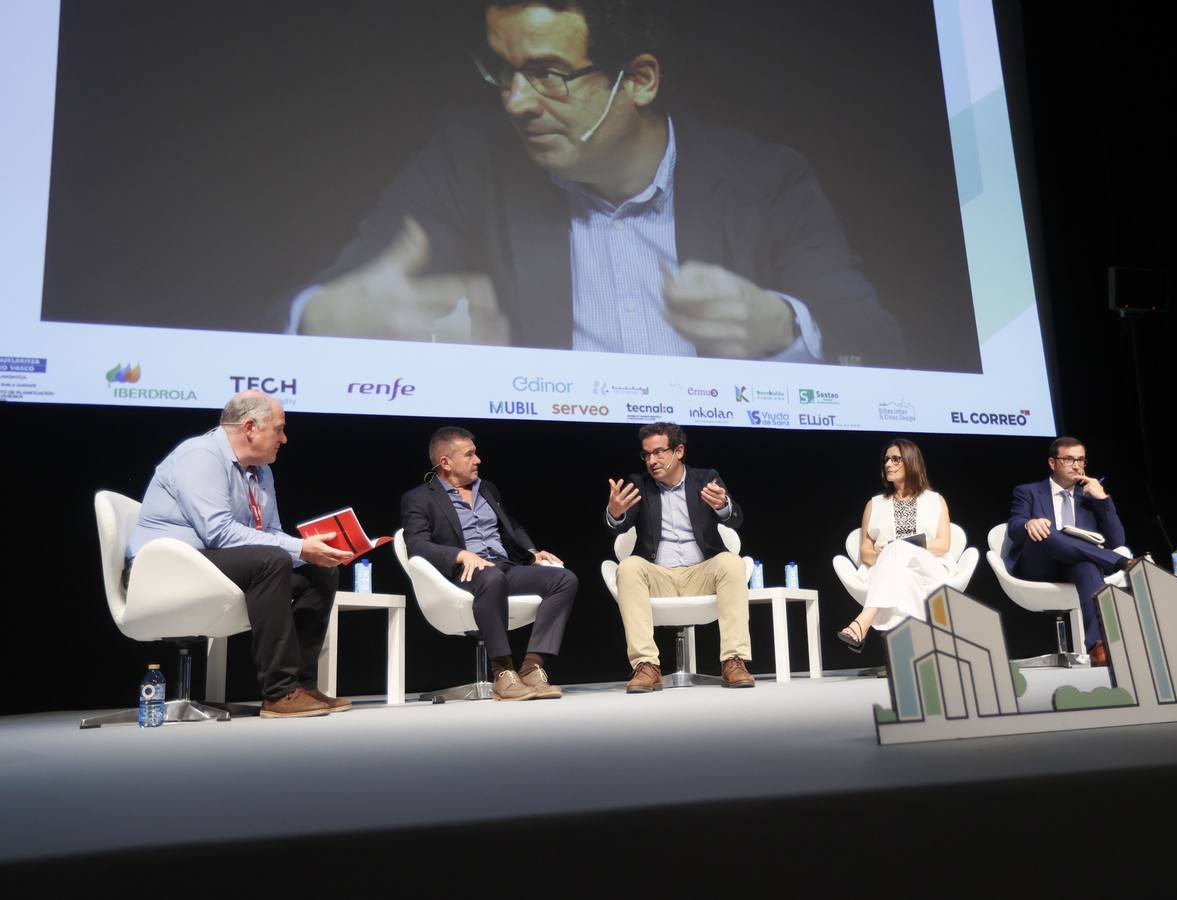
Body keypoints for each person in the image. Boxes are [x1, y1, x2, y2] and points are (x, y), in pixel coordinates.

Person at [286, 0, 904, 366]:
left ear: (639, 80)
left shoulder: (762, 179)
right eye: (502, 72)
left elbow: (873, 337)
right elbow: (325, 301)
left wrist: (783, 327)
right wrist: (319, 319)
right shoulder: (466, 161)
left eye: (548, 74)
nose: (516, 102)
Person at [126, 391, 354, 718]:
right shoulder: (200, 456)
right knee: (273, 560)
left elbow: (268, 533)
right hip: (164, 567)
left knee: (321, 570)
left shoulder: (261, 470)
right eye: (279, 429)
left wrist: (312, 551)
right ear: (249, 428)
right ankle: (279, 693)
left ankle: (300, 686)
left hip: (211, 561)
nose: (285, 439)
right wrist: (299, 548)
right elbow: (218, 532)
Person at [401, 427, 579, 700]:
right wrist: (460, 555)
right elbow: (416, 544)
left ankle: (532, 667)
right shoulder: (419, 498)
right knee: (491, 576)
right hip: (464, 574)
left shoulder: (487, 489)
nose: (478, 460)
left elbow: (512, 528)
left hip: (503, 566)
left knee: (563, 579)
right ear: (446, 463)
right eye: (470, 454)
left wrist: (533, 553)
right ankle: (503, 672)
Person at [605, 422, 753, 690]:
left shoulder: (705, 478)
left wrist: (723, 506)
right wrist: (615, 513)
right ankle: (646, 666)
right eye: (647, 454)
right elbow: (621, 525)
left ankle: (734, 660)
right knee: (628, 567)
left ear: (679, 451)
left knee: (731, 561)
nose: (652, 460)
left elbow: (736, 519)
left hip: (701, 573)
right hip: (659, 575)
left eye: (659, 452)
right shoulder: (639, 484)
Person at [1004, 436, 1135, 666]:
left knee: (1087, 565)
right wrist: (1029, 524)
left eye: (1081, 460)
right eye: (1069, 460)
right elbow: (1014, 528)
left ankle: (1098, 647)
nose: (1077, 465)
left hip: (1075, 565)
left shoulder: (1089, 497)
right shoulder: (1028, 492)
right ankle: (1122, 563)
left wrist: (1102, 499)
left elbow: (1117, 539)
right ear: (1052, 463)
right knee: (1047, 530)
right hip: (1038, 565)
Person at [837, 440, 956, 650]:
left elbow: (942, 545)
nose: (888, 464)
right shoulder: (874, 504)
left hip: (928, 567)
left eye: (895, 459)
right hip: (885, 570)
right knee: (900, 570)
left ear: (911, 462)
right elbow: (865, 551)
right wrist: (887, 555)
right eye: (886, 460)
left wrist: (901, 548)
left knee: (899, 547)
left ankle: (863, 622)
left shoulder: (935, 500)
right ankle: (911, 651)